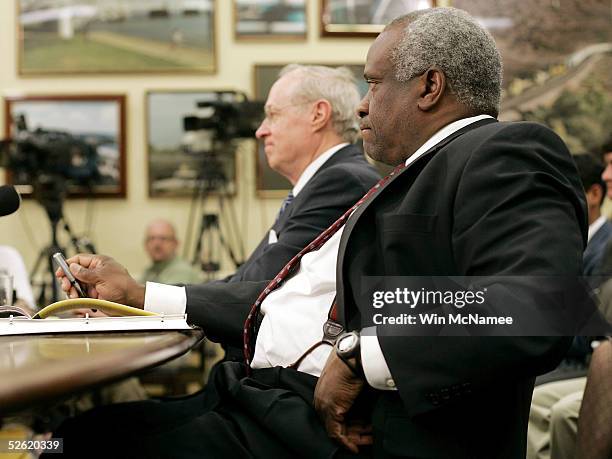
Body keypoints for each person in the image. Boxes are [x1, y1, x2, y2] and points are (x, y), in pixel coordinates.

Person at [52, 8, 585, 459]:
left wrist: (360, 354)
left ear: (429, 86)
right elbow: (285, 305)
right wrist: (142, 295)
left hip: (349, 432)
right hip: (262, 396)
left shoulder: (502, 152)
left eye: (374, 84)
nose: (360, 104)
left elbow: (534, 305)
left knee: (66, 444)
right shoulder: (400, 179)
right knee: (68, 437)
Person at [140, 218, 202, 284]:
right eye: (152, 239)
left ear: (175, 243)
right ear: (145, 244)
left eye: (163, 238)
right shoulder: (149, 271)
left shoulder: (183, 272)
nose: (157, 244)